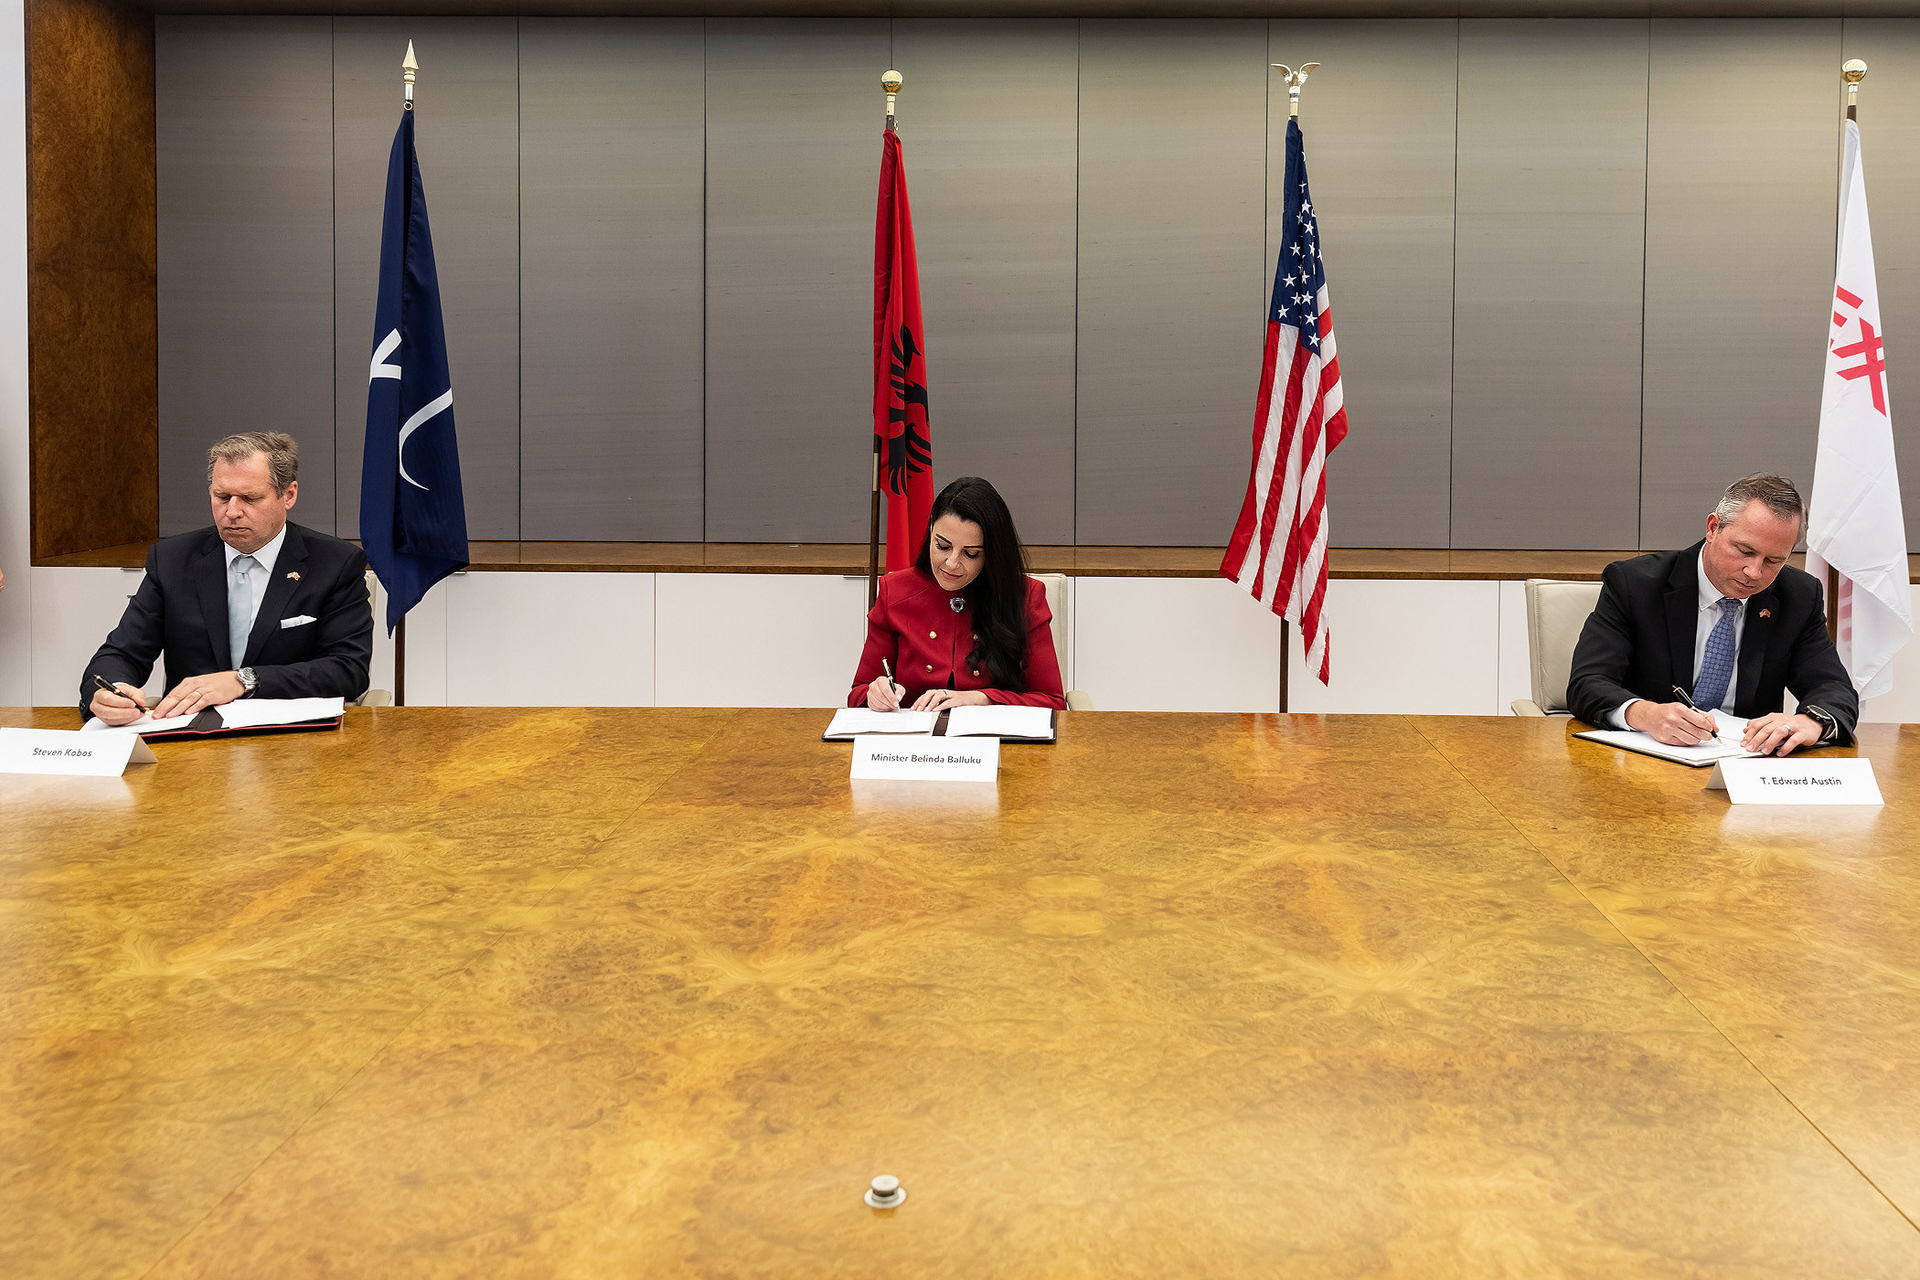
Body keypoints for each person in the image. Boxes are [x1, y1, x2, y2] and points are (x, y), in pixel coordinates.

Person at [80, 432, 373, 724]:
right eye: (222, 497)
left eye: (250, 498)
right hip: (192, 736)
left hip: (293, 739)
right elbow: (122, 652)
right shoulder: (172, 559)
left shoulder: (335, 563)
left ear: (288, 495)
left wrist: (244, 681)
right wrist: (109, 692)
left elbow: (348, 671)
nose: (232, 512)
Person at [1567, 472, 1858, 755]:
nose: (1754, 572)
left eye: (1773, 560)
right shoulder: (1636, 585)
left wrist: (1810, 721)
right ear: (1712, 528)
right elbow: (1588, 683)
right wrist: (1646, 714)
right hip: (1644, 762)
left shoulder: (1798, 595)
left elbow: (1832, 687)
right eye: (1745, 551)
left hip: (1745, 764)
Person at [849, 476, 1065, 712]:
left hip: (996, 743)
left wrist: (981, 698)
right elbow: (858, 693)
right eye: (942, 546)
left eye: (970, 554)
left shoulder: (1026, 597)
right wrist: (875, 694)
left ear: (992, 554)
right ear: (931, 530)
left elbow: (1052, 702)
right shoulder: (895, 590)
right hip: (913, 745)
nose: (951, 563)